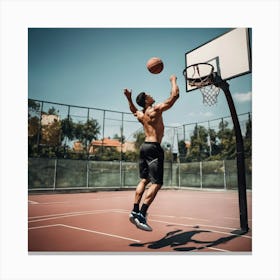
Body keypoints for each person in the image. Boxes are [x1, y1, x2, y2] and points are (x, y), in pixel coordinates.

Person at [123, 74, 180, 231]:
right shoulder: (155, 110)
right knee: (157, 183)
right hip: (154, 148)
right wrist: (173, 80)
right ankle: (142, 214)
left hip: (144, 148)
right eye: (148, 95)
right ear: (147, 100)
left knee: (144, 179)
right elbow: (174, 96)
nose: (151, 95)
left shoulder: (142, 115)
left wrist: (128, 98)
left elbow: (134, 110)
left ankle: (134, 209)